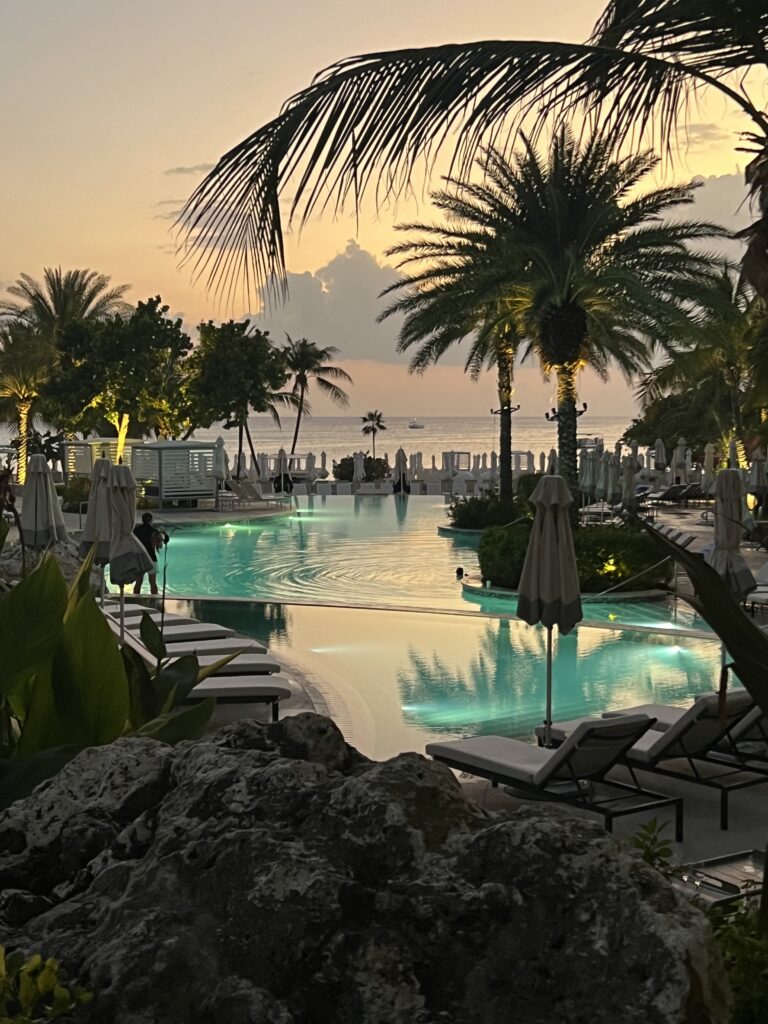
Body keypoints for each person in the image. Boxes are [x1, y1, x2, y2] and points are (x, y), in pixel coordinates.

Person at [132, 512, 168, 595]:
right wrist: (162, 538)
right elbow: (159, 546)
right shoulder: (154, 531)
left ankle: (136, 600)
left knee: (138, 582)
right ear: (151, 520)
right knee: (152, 583)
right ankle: (155, 600)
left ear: (142, 520)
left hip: (140, 558)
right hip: (151, 558)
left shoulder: (136, 530)